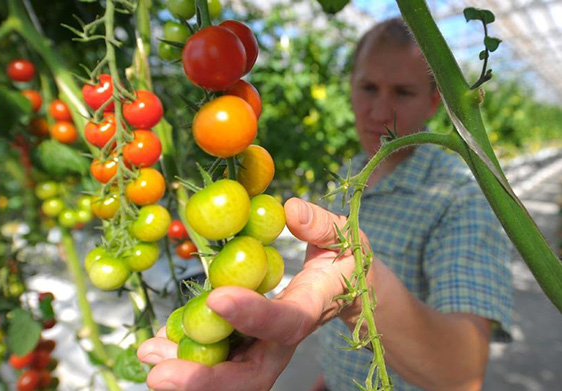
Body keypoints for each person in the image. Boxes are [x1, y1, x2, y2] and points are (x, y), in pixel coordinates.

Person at [137, 18, 513, 391]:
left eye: (402, 92)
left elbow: (462, 373)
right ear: (350, 87)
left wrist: (359, 285)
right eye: (368, 87)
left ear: (435, 101)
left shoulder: (460, 198)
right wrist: (330, 379)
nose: (380, 110)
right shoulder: (350, 176)